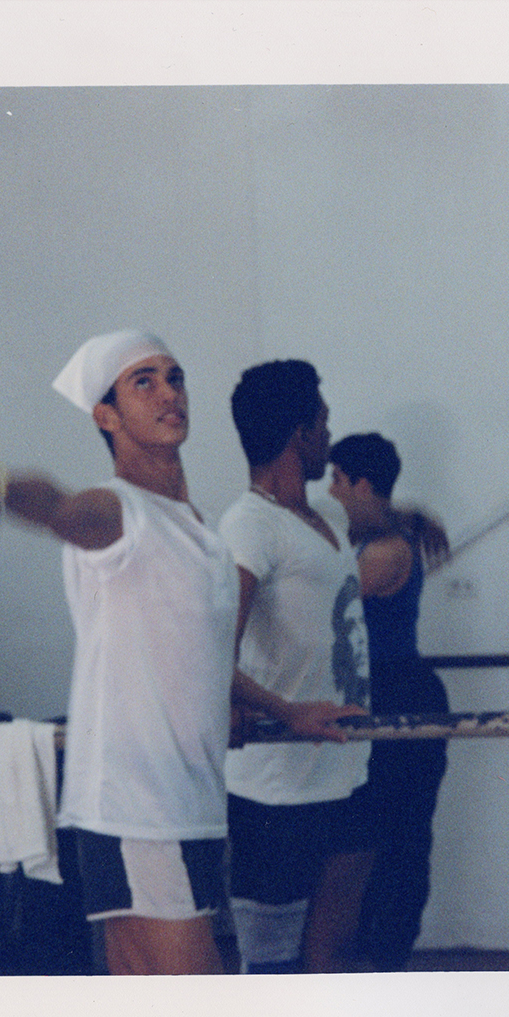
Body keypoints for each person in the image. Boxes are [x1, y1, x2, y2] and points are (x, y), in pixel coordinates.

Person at [0, 330, 352, 975]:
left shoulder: (198, 532)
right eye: (143, 382)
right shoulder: (119, 511)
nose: (168, 392)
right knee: (202, 1013)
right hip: (141, 806)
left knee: (151, 1016)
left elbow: (205, 656)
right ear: (107, 416)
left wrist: (287, 711)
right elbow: (60, 506)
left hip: (188, 803)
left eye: (174, 376)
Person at [220, 360, 376, 973]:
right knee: (272, 967)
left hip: (344, 767)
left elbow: (373, 519)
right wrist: (267, 709)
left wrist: (410, 521)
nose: (330, 435)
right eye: (324, 422)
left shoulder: (325, 520)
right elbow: (215, 648)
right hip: (275, 784)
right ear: (299, 434)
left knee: (329, 958)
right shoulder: (247, 525)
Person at [326, 432, 452, 972]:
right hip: (373, 693)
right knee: (366, 833)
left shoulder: (388, 551)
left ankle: (386, 960)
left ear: (359, 483)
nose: (328, 490)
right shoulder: (386, 530)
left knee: (399, 837)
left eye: (336, 480)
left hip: (402, 693)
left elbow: (323, 596)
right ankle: (369, 958)